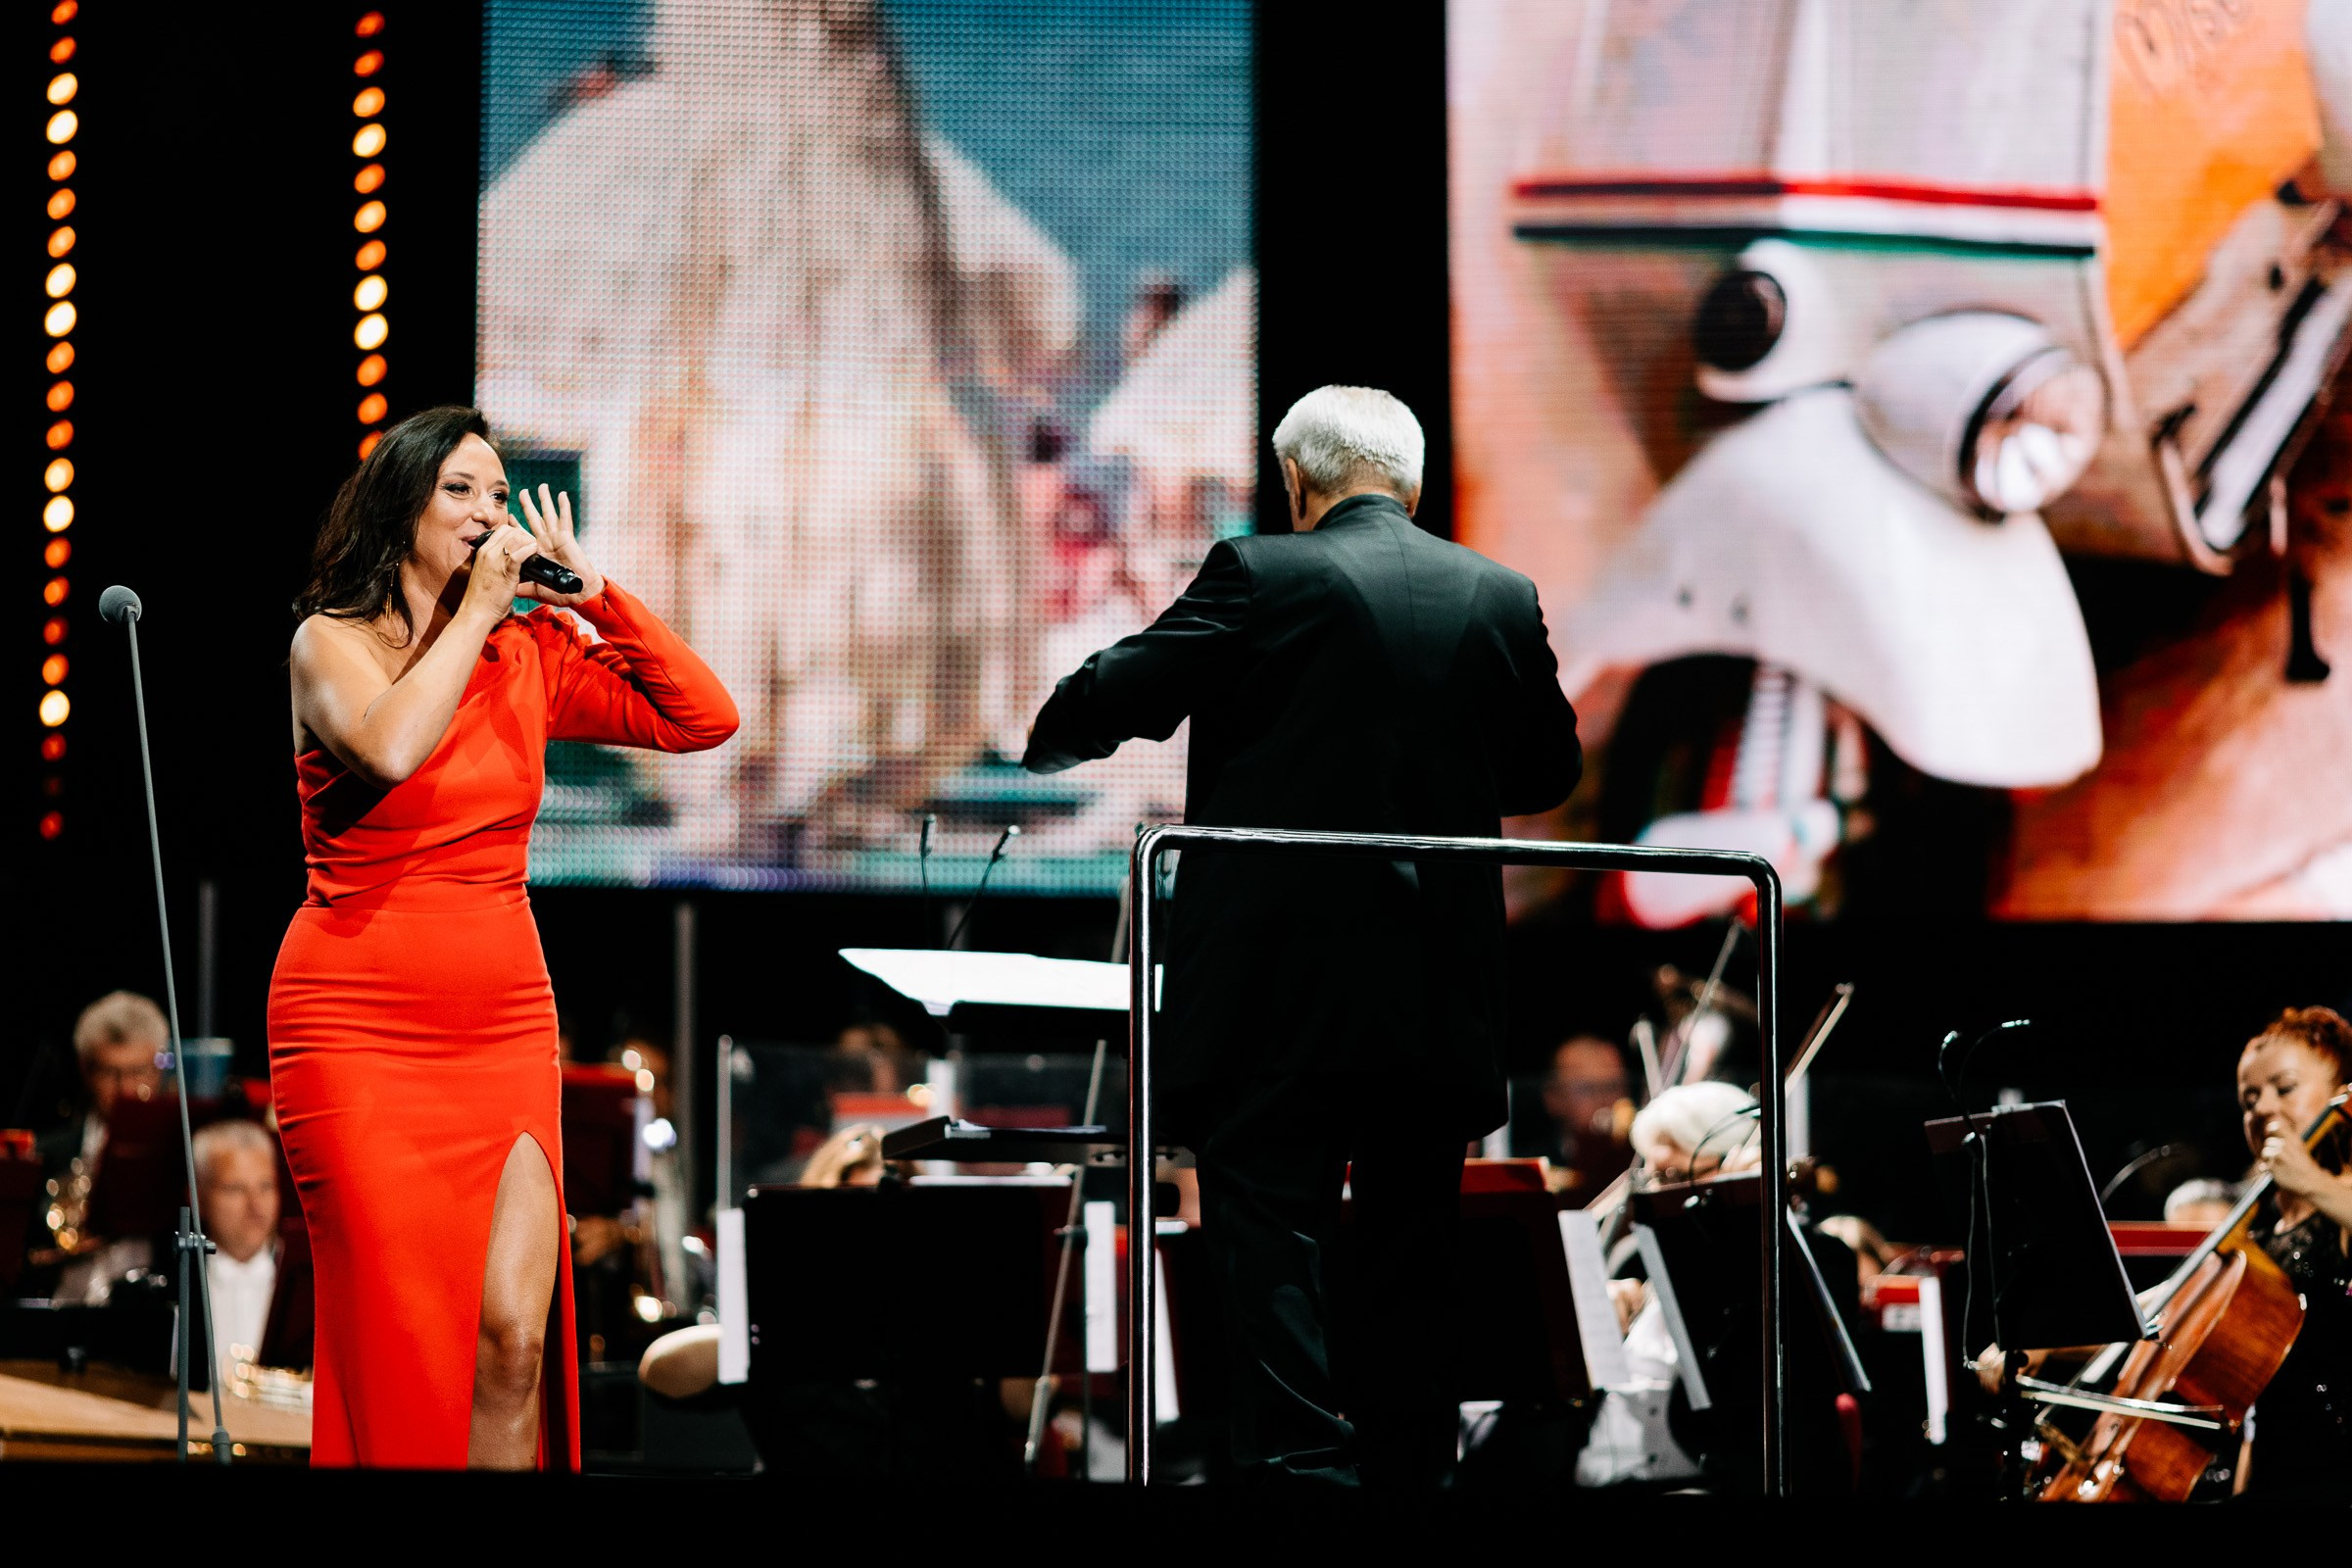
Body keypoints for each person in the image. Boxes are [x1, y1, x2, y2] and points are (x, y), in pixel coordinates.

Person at [1022, 384, 1584, 1485]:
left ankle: (1299, 1477)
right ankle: (1408, 1473)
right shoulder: (1501, 595)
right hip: (1438, 1003)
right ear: (1414, 484)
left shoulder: (1261, 572)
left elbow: (1114, 695)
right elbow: (1548, 771)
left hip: (1278, 996)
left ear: (1297, 483)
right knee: (1411, 1264)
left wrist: (1050, 741)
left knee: (1272, 1252)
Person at [270, 407, 738, 1470]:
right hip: (356, 1031)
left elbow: (701, 717)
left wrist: (601, 596)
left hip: (502, 1028)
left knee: (513, 1343)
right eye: (463, 494)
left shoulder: (528, 652)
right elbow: (391, 748)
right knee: (403, 1355)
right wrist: (479, 616)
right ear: (402, 512)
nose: (492, 515)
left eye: (499, 493)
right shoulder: (328, 646)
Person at [2230, 1006, 2352, 1500]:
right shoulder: (2258, 1224)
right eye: (2249, 1098)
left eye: (2285, 1089)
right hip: (2274, 1474)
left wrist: (2310, 1180)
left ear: (2342, 1094)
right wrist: (2050, 1347)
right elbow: (2169, 1316)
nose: (2263, 1109)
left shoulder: (2341, 1198)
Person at [36, 992, 169, 1299]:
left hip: (153, 1315)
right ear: (85, 1070)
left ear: (159, 1069)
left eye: (138, 1072)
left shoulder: (181, 1151)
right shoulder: (47, 1153)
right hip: (66, 1311)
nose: (125, 1088)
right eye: (111, 1072)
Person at [191, 1119, 282, 1376]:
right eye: (235, 1189)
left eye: (266, 1187)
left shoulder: (311, 1281)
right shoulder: (173, 1279)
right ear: (199, 1196)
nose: (256, 1206)